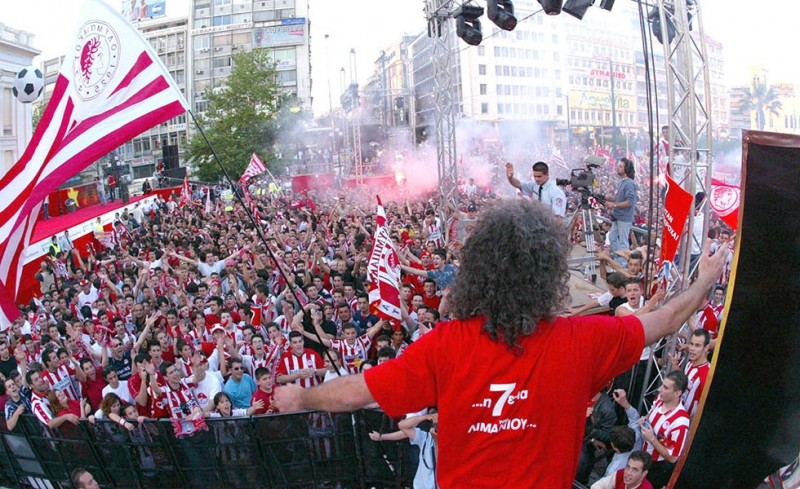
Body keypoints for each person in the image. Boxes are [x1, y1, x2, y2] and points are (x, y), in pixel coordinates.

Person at [274, 198, 727, 487]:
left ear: (479, 271)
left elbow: (356, 393)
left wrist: (301, 397)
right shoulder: (585, 340)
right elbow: (666, 319)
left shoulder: (446, 345)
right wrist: (704, 280)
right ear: (550, 273)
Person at [640, 371, 691, 488]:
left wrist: (652, 439)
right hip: (643, 455)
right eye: (662, 385)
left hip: (656, 467)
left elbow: (673, 457)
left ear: (677, 393)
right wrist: (645, 418)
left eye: (665, 387)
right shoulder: (660, 399)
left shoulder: (680, 422)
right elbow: (650, 413)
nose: (659, 389)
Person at [605, 158, 637, 266]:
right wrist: (610, 198)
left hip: (624, 218)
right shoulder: (622, 182)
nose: (617, 168)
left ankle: (622, 265)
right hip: (618, 216)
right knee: (612, 238)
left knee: (623, 242)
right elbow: (619, 198)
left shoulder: (629, 183)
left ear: (626, 169)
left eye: (620, 166)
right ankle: (617, 260)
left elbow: (629, 202)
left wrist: (613, 205)